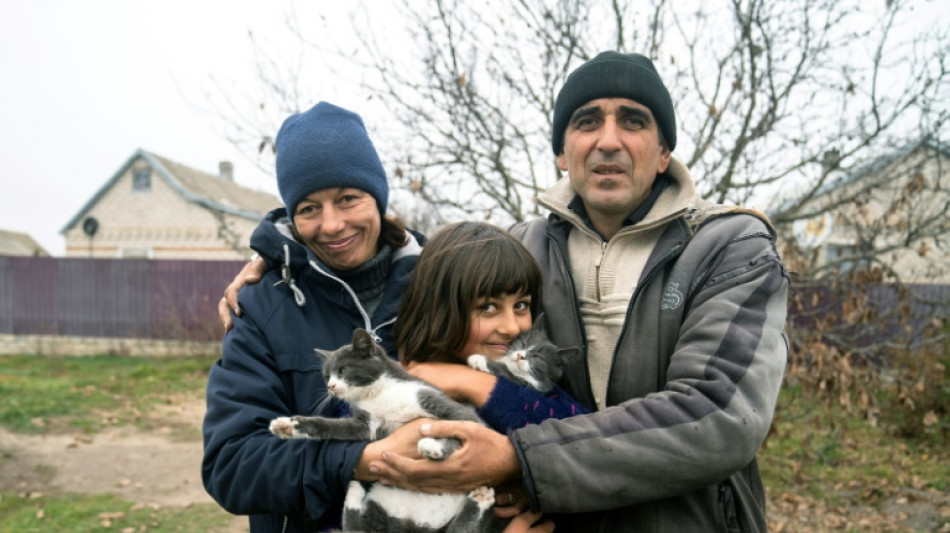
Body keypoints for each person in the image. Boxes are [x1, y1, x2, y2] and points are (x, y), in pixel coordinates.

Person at [221, 52, 789, 531]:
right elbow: (233, 460)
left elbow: (718, 415)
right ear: (562, 154)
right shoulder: (525, 248)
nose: (608, 140)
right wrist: (272, 261)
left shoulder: (727, 246)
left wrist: (515, 459)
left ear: (664, 150)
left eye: (634, 121)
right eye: (587, 121)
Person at [204, 102, 554, 533]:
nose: (331, 224)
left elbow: (527, 408)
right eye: (309, 208)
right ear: (292, 217)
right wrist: (364, 459)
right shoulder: (259, 308)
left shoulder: (446, 282)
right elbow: (232, 466)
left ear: (378, 197)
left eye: (347, 199)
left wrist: (515, 478)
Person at [394, 221, 589, 435]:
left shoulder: (527, 384)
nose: (512, 327)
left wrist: (476, 384)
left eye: (521, 305)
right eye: (488, 307)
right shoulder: (389, 378)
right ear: (438, 310)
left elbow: (585, 436)